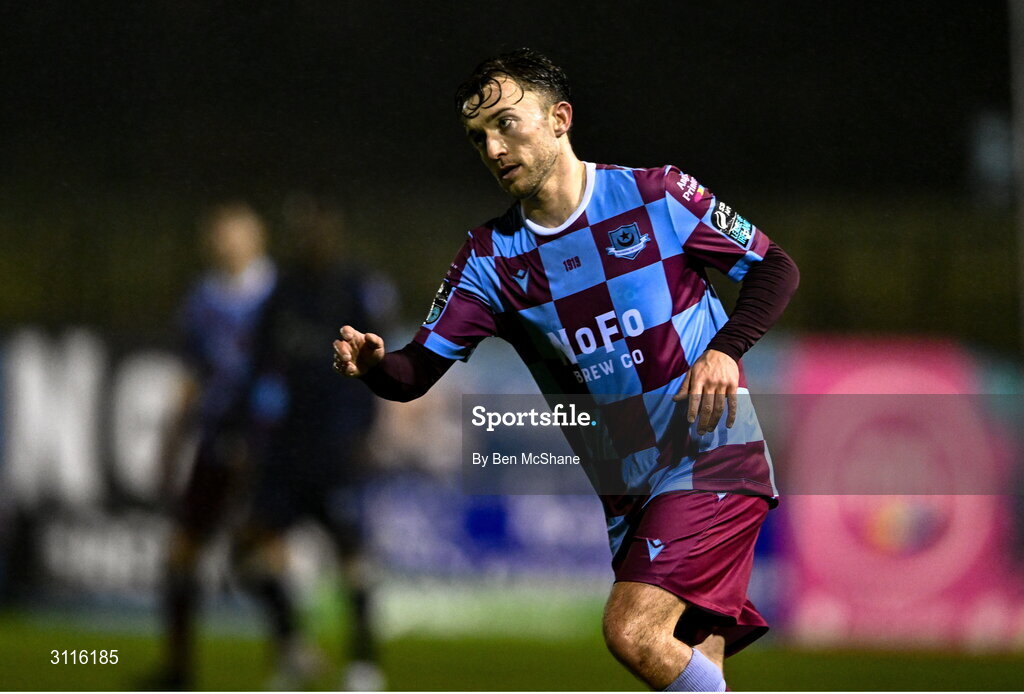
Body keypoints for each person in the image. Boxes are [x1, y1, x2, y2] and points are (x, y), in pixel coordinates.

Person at [332, 49, 799, 692]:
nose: (494, 148)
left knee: (631, 632)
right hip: (628, 490)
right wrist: (376, 367)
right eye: (478, 138)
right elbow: (414, 374)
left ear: (559, 118)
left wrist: (726, 349)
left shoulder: (656, 194)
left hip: (709, 453)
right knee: (688, 661)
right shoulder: (490, 259)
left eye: (507, 124)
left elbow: (775, 268)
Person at [240, 194, 393, 690]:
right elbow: (259, 367)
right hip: (286, 448)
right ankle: (291, 647)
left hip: (336, 445)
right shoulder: (281, 293)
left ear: (335, 232)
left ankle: (363, 662)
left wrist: (366, 430)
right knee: (251, 553)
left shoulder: (354, 290)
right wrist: (253, 432)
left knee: (352, 555)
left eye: (320, 228)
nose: (312, 237)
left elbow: (378, 367)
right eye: (304, 228)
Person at [152, 201, 278, 691]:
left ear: (257, 239)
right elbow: (192, 373)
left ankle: (289, 651)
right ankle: (178, 670)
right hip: (215, 438)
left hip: (264, 440)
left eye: (235, 233)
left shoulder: (278, 295)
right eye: (219, 233)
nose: (225, 242)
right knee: (182, 553)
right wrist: (173, 436)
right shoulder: (201, 299)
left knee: (259, 550)